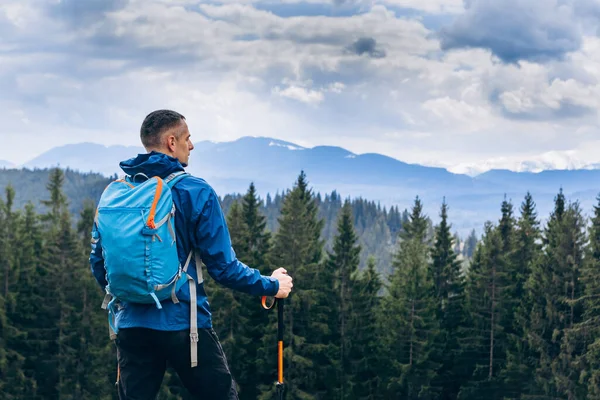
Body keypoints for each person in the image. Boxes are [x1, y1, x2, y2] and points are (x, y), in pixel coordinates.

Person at [89, 109, 293, 399]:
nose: (192, 145)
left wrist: (132, 294)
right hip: (185, 326)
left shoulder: (118, 193)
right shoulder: (195, 191)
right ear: (172, 142)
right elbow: (224, 268)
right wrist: (272, 285)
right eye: (188, 138)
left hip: (131, 326)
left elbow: (99, 263)